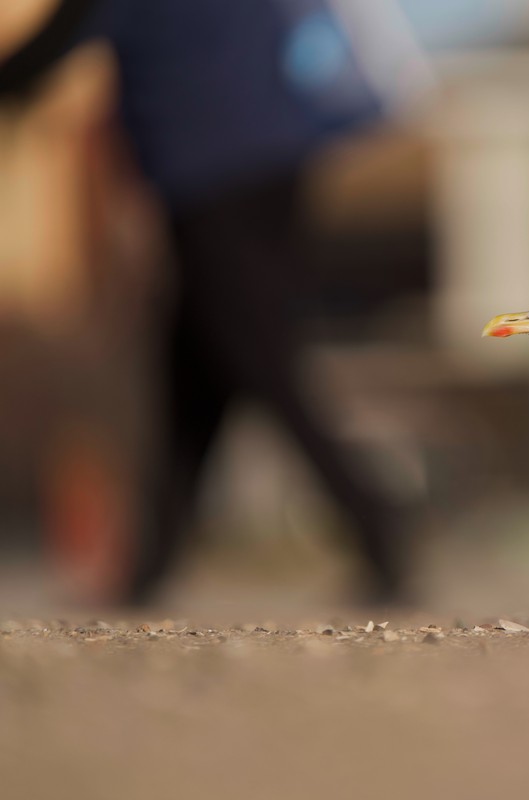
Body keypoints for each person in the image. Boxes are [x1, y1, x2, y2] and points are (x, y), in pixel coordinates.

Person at [0, 0, 433, 605]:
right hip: (273, 155)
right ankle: (148, 570)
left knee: (260, 360)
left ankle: (374, 514)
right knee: (195, 364)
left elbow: (50, 47)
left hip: (210, 170)